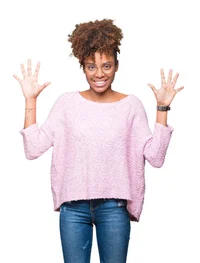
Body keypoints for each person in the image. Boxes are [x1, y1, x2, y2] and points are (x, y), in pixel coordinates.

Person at [14, 19, 183, 263]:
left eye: (106, 66)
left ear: (116, 66)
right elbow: (33, 149)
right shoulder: (66, 104)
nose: (99, 74)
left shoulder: (131, 106)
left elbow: (155, 157)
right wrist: (30, 101)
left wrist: (162, 108)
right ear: (83, 66)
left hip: (114, 208)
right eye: (91, 67)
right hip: (73, 208)